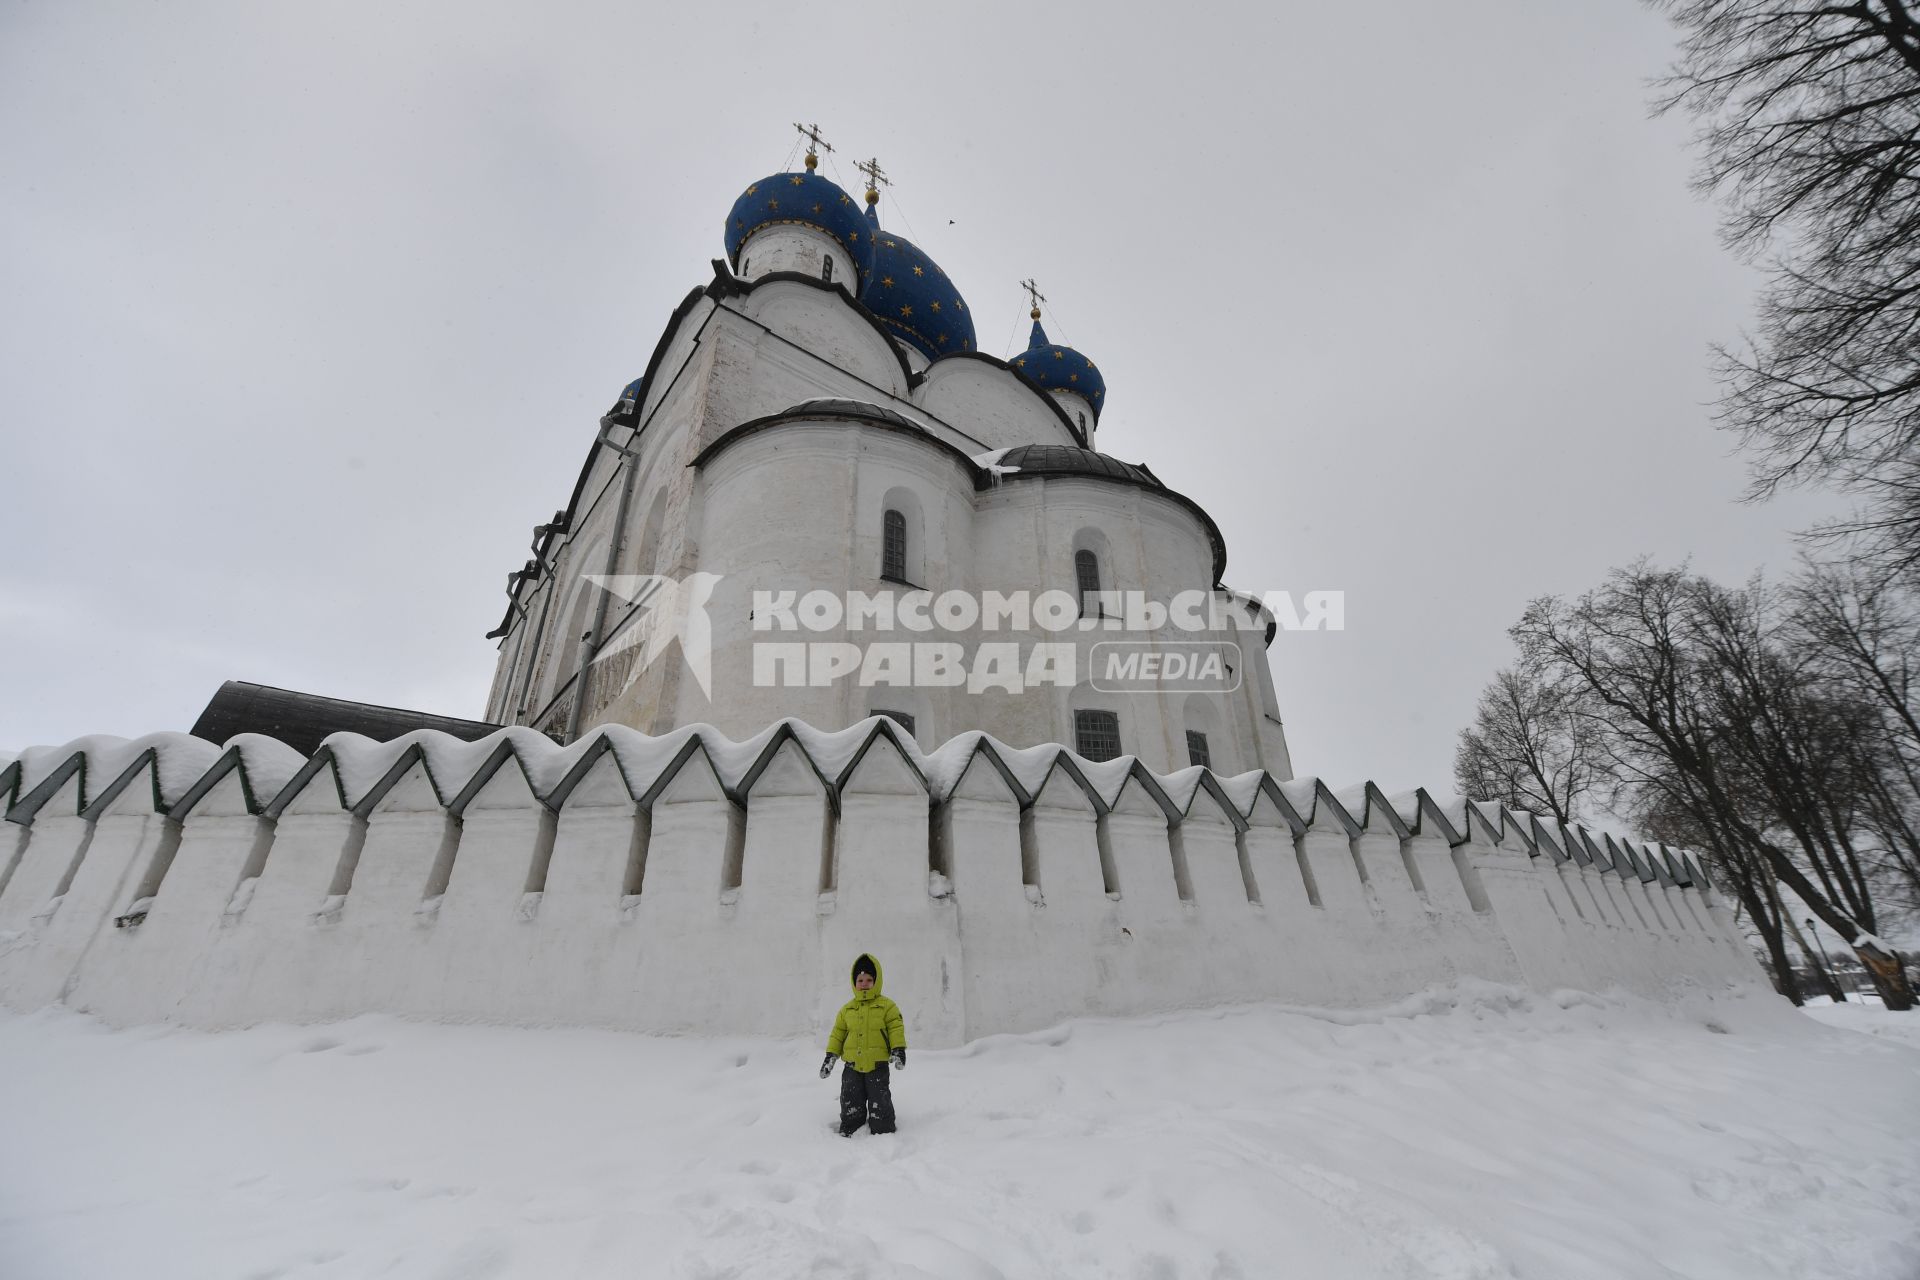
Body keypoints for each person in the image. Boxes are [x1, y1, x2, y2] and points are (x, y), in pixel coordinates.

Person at [819, 952, 907, 1136]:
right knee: (851, 1099)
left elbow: (895, 1027)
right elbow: (837, 1034)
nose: (864, 983)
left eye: (868, 979)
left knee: (879, 1100)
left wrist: (898, 1049)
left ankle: (882, 1129)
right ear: (854, 982)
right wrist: (830, 1056)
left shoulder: (887, 1006)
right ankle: (852, 1125)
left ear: (876, 981)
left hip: (877, 1065)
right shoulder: (847, 1009)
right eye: (860, 980)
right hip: (852, 1066)